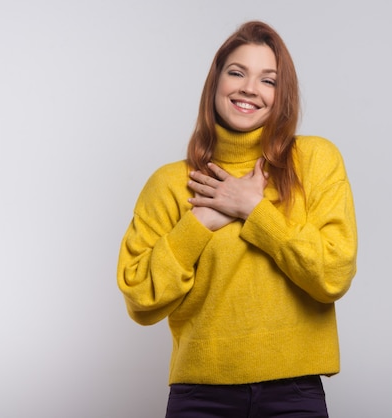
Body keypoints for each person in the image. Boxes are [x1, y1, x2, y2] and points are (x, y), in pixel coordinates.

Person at [117, 20, 357, 418]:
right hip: (200, 395)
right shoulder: (171, 183)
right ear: (215, 83)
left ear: (283, 95)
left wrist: (253, 210)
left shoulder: (315, 160)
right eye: (237, 72)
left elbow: (333, 274)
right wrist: (199, 223)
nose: (249, 88)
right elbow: (140, 299)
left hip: (293, 392)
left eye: (269, 80)